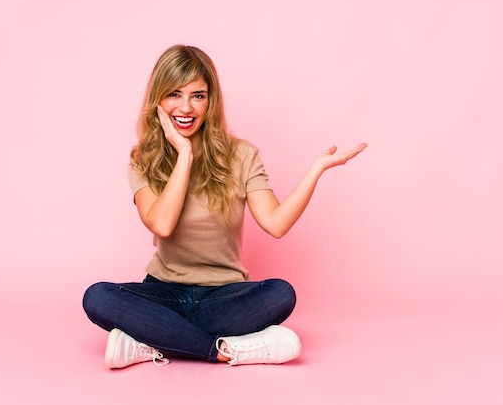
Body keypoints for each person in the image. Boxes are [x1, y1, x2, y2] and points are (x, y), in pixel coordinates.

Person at [82, 45, 367, 369]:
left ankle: (151, 339)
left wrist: (315, 169)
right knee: (98, 297)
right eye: (174, 94)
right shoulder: (142, 160)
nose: (186, 107)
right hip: (164, 293)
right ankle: (222, 349)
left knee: (281, 293)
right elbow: (161, 224)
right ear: (158, 101)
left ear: (211, 101)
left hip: (225, 295)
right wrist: (184, 155)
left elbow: (275, 224)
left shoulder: (242, 156)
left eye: (198, 96)